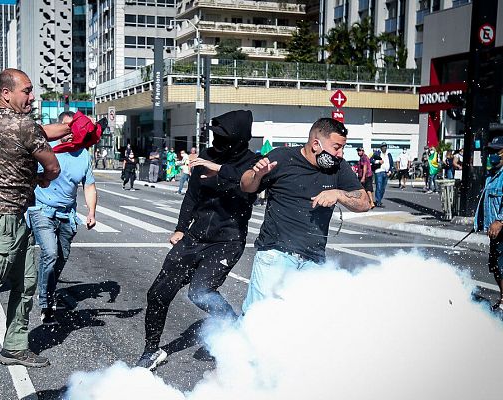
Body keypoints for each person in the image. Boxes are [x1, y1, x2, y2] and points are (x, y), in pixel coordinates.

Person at [136, 110, 259, 370]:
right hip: (194, 238)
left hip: (227, 241)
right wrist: (181, 228)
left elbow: (249, 189)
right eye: (215, 136)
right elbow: (192, 196)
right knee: (158, 294)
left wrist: (221, 172)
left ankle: (234, 329)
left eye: (223, 137)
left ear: (237, 138)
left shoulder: (253, 163)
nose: (217, 142)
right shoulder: (205, 158)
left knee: (200, 292)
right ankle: (150, 351)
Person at [0, 68, 66, 369]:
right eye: (26, 90)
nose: (32, 96)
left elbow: (38, 131)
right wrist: (44, 179)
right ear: (6, 93)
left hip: (13, 218)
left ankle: (14, 349)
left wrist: (66, 129)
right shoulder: (23, 125)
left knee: (26, 285)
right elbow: (53, 166)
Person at [239, 118, 370, 312]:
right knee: (258, 317)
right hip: (275, 255)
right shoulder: (282, 158)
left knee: (304, 321)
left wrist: (338, 194)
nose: (341, 154)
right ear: (316, 144)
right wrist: (256, 175)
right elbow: (246, 185)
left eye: (343, 148)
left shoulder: (338, 166)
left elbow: (365, 202)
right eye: (336, 148)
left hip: (314, 259)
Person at [28, 111, 98, 325]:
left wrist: (91, 213)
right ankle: (45, 303)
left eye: (74, 129)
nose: (70, 133)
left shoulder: (83, 155)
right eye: (67, 128)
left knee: (60, 258)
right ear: (59, 128)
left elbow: (89, 186)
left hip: (67, 214)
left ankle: (48, 289)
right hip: (42, 209)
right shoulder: (45, 149)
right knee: (49, 253)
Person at [475, 136, 503, 311]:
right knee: (495, 267)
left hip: (501, 227)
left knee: (501, 266)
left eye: (497, 151)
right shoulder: (491, 175)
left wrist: (500, 220)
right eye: (491, 151)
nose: (493, 154)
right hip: (495, 231)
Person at [373, 142, 394, 207]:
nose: (384, 147)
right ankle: (378, 201)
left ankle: (379, 200)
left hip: (386, 172)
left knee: (383, 188)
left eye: (385, 146)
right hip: (379, 172)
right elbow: (371, 160)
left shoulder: (389, 154)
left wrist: (390, 171)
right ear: (381, 148)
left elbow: (391, 164)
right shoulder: (377, 153)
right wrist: (378, 161)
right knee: (379, 187)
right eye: (383, 146)